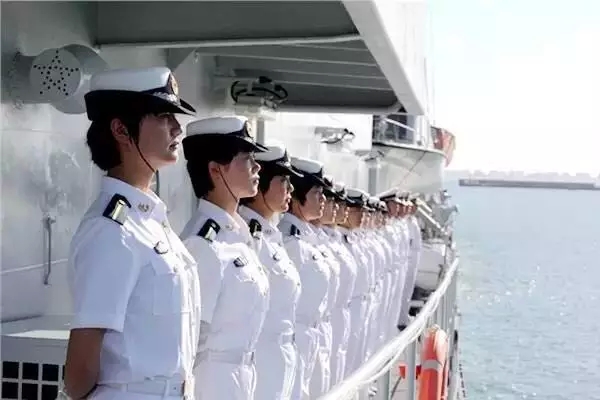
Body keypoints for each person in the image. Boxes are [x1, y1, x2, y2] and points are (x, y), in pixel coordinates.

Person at [62, 67, 200, 400]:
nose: (177, 127)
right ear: (121, 130)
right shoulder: (111, 231)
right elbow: (79, 373)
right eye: (164, 116)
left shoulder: (150, 221)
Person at [178, 116, 270, 400]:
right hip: (212, 383)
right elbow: (191, 341)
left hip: (240, 377)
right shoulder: (203, 243)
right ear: (215, 170)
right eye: (247, 158)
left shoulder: (237, 235)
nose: (257, 166)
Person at [238, 143, 303, 400]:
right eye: (283, 181)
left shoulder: (270, 235)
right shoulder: (247, 235)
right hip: (260, 359)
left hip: (279, 355)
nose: (291, 189)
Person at [278, 156, 331, 400]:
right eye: (317, 193)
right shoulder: (289, 240)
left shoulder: (306, 237)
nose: (323, 200)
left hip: (310, 336)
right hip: (295, 337)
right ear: (298, 197)